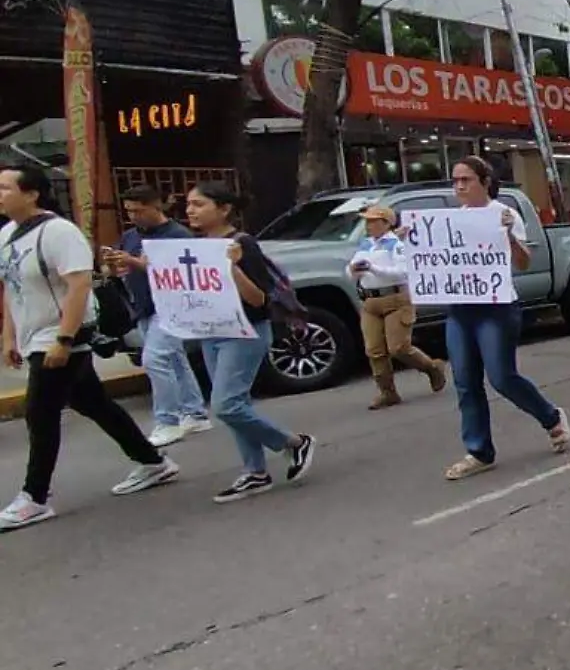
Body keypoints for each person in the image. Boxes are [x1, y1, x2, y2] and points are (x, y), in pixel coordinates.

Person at [0, 166, 179, 530]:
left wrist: (65, 339)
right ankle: (153, 461)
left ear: (32, 193)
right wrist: (9, 336)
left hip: (62, 335)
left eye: (4, 187)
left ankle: (34, 497)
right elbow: (11, 287)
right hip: (34, 336)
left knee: (40, 412)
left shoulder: (58, 232)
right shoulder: (6, 234)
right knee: (93, 403)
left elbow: (79, 286)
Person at [182, 182, 318, 503]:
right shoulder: (198, 244)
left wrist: (230, 267)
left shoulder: (243, 244)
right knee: (235, 404)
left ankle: (295, 443)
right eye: (189, 204)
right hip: (212, 331)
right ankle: (255, 472)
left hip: (245, 332)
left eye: (199, 204)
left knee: (225, 405)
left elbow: (258, 299)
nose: (190, 211)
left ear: (224, 208)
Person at [439, 158, 570, 480]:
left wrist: (509, 235)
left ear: (485, 181)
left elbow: (523, 263)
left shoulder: (504, 214)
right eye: (455, 180)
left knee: (501, 377)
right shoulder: (451, 221)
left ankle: (551, 416)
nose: (459, 187)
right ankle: (479, 450)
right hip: (460, 308)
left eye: (466, 180)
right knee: (465, 383)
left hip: (495, 308)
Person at [101, 185, 209, 446]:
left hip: (173, 307)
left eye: (139, 210)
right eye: (129, 211)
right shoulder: (130, 236)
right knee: (174, 360)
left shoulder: (177, 235)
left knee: (155, 359)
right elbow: (119, 265)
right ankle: (195, 412)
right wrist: (113, 266)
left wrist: (133, 262)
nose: (134, 216)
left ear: (156, 206)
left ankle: (167, 421)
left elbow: (178, 271)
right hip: (145, 307)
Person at [348, 204, 446, 410]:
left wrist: (373, 269)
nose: (369, 225)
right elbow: (351, 270)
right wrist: (354, 270)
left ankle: (431, 367)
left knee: (398, 347)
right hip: (370, 302)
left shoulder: (396, 244)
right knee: (374, 350)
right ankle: (387, 392)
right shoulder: (366, 245)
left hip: (396, 299)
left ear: (386, 223)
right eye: (367, 221)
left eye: (374, 221)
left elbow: (401, 272)